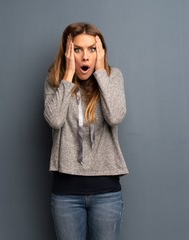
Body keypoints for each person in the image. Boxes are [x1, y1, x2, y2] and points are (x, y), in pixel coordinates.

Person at [44, 22, 129, 240]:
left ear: (100, 52)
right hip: (66, 193)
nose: (85, 57)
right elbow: (54, 120)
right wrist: (67, 74)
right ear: (67, 51)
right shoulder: (55, 79)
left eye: (92, 49)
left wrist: (101, 72)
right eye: (78, 49)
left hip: (106, 193)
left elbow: (115, 116)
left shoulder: (113, 77)